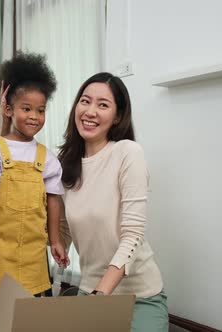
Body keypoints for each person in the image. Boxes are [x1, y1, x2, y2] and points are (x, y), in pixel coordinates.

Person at [58, 72, 168, 331]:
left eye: (103, 105)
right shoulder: (65, 166)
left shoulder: (127, 153)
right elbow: (64, 231)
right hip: (90, 290)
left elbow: (133, 235)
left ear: (118, 116)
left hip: (138, 297)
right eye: (85, 101)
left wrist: (100, 296)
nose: (90, 111)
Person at [0, 52, 69, 296]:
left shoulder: (47, 158)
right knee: (1, 310)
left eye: (41, 110)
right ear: (8, 109)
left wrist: (55, 240)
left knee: (32, 309)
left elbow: (53, 199)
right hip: (1, 250)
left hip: (34, 254)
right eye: (26, 108)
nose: (35, 116)